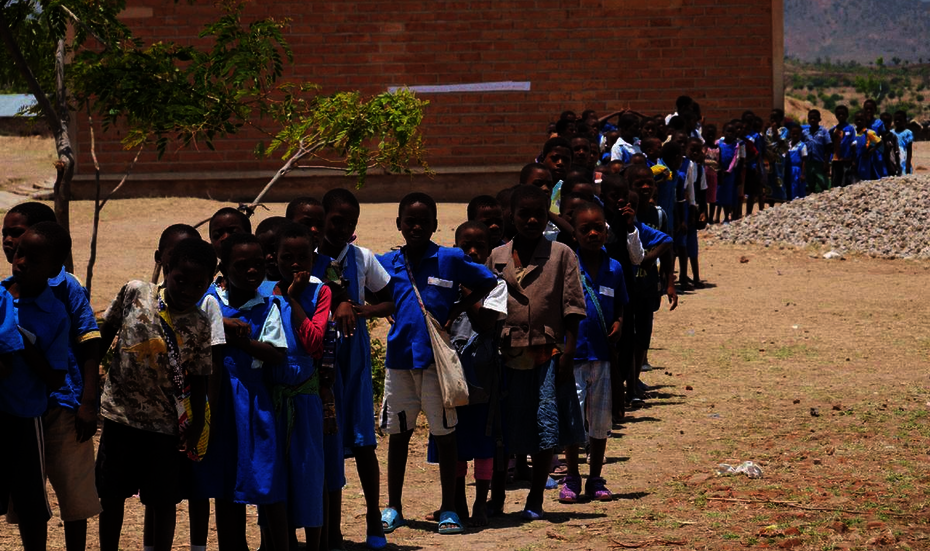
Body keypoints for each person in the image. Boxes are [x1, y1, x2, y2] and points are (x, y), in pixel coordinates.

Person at [378, 192, 496, 536]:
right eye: (409, 221)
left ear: (435, 225)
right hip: (399, 361)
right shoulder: (389, 262)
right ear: (399, 224)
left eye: (423, 222)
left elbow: (487, 281)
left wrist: (456, 310)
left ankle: (449, 508)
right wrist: (384, 310)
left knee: (445, 434)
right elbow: (371, 288)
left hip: (436, 364)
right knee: (398, 434)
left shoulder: (450, 258)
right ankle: (394, 507)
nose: (416, 227)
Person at [96, 237, 215, 551]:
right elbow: (104, 336)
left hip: (165, 426)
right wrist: (85, 393)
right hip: (120, 417)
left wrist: (196, 426)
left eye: (198, 285)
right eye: (181, 280)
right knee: (111, 495)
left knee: (162, 500)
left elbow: (200, 378)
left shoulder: (201, 323)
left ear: (209, 283)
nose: (187, 290)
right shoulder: (136, 292)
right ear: (167, 268)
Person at [1, 203, 101, 551]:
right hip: (17, 409)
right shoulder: (4, 292)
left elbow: (89, 341)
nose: (11, 242)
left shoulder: (65, 287)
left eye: (18, 233)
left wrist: (89, 401)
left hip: (62, 403)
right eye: (6, 234)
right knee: (27, 494)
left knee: (73, 492)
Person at [487, 185, 587, 521]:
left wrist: (569, 353)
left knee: (547, 427)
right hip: (506, 355)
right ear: (511, 217)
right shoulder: (497, 257)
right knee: (503, 429)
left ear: (548, 217)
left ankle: (535, 498)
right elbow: (487, 305)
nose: (531, 220)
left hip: (548, 355)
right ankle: (497, 496)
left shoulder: (561, 255)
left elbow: (572, 307)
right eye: (524, 214)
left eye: (539, 214)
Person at [312, 188, 394, 550]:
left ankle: (374, 518)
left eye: (350, 223)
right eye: (336, 221)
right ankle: (329, 527)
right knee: (326, 442)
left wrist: (364, 310)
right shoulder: (308, 257)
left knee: (363, 442)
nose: (343, 229)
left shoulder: (362, 257)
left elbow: (390, 298)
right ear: (322, 221)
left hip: (354, 357)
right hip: (319, 355)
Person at [205, 233, 292, 550]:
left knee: (267, 481)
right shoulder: (210, 302)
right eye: (242, 265)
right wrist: (221, 324)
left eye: (257, 264)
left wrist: (240, 341)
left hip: (254, 404)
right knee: (226, 486)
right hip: (217, 401)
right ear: (224, 269)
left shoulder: (268, 306)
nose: (252, 271)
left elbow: (276, 353)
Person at [148, 224, 225, 551]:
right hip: (157, 411)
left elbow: (212, 364)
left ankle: (198, 546)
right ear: (165, 261)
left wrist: (207, 415)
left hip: (193, 409)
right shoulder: (149, 299)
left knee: (197, 484)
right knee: (157, 488)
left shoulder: (206, 304)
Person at [0, 221, 71, 551]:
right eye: (20, 253)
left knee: (30, 507)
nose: (21, 262)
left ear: (54, 270)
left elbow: (56, 378)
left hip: (26, 419)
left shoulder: (54, 313)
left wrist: (19, 343)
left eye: (34, 259)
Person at [560, 201, 627, 503]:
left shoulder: (615, 269)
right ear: (574, 233)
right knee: (573, 417)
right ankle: (572, 476)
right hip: (573, 355)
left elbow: (621, 304)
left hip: (602, 356)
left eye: (598, 228)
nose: (592, 234)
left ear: (606, 231)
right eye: (585, 229)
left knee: (599, 421)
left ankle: (595, 477)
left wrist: (619, 322)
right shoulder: (567, 266)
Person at [271, 222, 332, 551]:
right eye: (287, 257)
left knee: (309, 470)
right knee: (276, 472)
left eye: (303, 257)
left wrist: (293, 299)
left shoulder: (321, 292)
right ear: (274, 257)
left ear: (313, 258)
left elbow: (313, 342)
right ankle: (283, 542)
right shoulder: (265, 292)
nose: (295, 264)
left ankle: (315, 544)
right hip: (273, 396)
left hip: (305, 395)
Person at [445, 220, 508, 526]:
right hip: (451, 375)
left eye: (479, 247)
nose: (471, 252)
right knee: (455, 442)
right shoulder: (446, 282)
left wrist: (468, 290)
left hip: (484, 377)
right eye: (465, 246)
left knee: (484, 443)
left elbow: (485, 322)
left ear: (488, 251)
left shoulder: (497, 284)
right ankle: (457, 501)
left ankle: (481, 502)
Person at [716, 122, 744, 223]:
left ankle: (726, 216)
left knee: (728, 195)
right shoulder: (718, 143)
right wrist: (719, 168)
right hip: (719, 172)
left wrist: (729, 170)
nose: (730, 134)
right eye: (728, 131)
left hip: (729, 174)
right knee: (718, 193)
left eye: (732, 132)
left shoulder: (736, 145)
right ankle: (716, 216)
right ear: (723, 132)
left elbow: (735, 158)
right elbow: (716, 155)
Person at [255, 216, 290, 296]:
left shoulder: (307, 283)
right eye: (263, 250)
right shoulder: (253, 283)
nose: (268, 257)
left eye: (274, 249)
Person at [802, 109, 832, 194]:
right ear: (808, 119)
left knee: (823, 183)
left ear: (819, 119)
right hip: (808, 162)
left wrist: (826, 162)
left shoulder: (823, 131)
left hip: (820, 162)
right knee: (810, 184)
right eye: (810, 118)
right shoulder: (805, 132)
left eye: (815, 118)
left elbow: (828, 147)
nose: (812, 120)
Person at [764, 109, 789, 203]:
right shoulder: (768, 130)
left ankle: (782, 198)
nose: (773, 120)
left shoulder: (784, 130)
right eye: (771, 118)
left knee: (779, 177)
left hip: (779, 158)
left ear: (780, 119)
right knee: (770, 178)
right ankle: (771, 199)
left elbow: (781, 142)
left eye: (775, 118)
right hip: (769, 157)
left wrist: (775, 132)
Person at [830, 105, 857, 188]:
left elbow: (853, 144)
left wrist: (853, 159)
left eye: (843, 114)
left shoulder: (850, 129)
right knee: (836, 180)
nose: (841, 116)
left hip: (847, 159)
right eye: (839, 114)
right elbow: (830, 144)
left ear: (847, 115)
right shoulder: (833, 130)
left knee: (846, 180)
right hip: (836, 159)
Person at [853, 111, 883, 182]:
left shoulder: (869, 132)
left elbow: (879, 142)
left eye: (861, 120)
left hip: (864, 159)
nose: (859, 121)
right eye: (857, 120)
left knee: (864, 178)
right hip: (854, 158)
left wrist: (870, 151)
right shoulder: (853, 132)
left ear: (865, 121)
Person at [784, 124, 808, 201]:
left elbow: (804, 160)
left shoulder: (802, 145)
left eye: (797, 134)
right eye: (793, 134)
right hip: (788, 169)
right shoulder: (787, 145)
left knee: (796, 187)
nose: (795, 136)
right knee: (788, 186)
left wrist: (803, 174)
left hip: (797, 170)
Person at [891, 110, 914, 176]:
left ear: (905, 121)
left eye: (900, 120)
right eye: (895, 120)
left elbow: (909, 149)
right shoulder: (891, 133)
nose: (897, 122)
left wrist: (908, 163)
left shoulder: (908, 133)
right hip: (893, 159)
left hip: (904, 159)